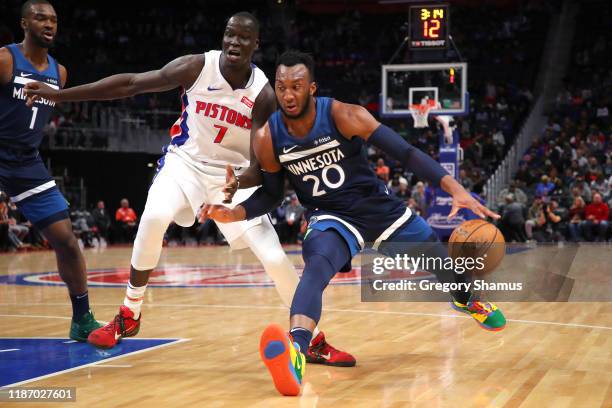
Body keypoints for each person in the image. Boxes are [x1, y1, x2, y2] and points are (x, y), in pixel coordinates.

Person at [25, 13, 354, 365]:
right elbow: (132, 83)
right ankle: (129, 313)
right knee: (153, 217)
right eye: (229, 34)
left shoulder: (263, 94)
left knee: (274, 258)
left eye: (243, 38)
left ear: (256, 45)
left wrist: (239, 183)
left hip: (234, 178)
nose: (234, 43)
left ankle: (312, 340)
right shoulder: (197, 66)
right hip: (186, 165)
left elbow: (261, 160)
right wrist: (60, 97)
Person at [202, 51, 507, 396]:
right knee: (315, 268)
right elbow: (271, 195)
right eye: (282, 87)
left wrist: (455, 188)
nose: (288, 95)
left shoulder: (345, 115)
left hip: (379, 211)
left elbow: (405, 153)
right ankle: (296, 352)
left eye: (296, 87)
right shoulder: (267, 137)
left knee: (444, 268)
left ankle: (466, 298)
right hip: (330, 217)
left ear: (311, 88)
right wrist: (236, 212)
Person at [0, 0, 101, 339]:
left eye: (54, 19)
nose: (49, 24)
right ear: (24, 22)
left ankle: (81, 319)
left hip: (26, 161)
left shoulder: (59, 73)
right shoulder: (5, 58)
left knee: (67, 241)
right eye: (41, 17)